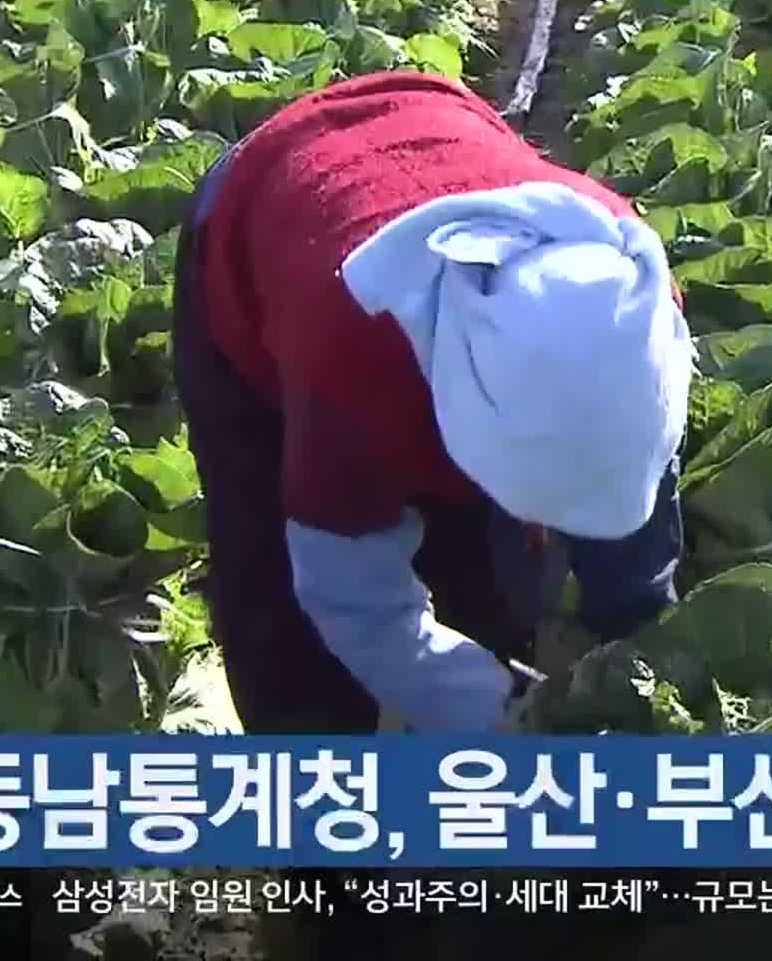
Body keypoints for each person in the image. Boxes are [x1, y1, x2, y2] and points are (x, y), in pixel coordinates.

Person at [171, 70, 693, 738]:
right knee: (284, 623)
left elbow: (639, 483)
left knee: (492, 589)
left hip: (437, 122)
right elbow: (350, 596)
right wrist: (505, 715)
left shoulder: (630, 289)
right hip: (261, 210)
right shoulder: (352, 366)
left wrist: (640, 647)